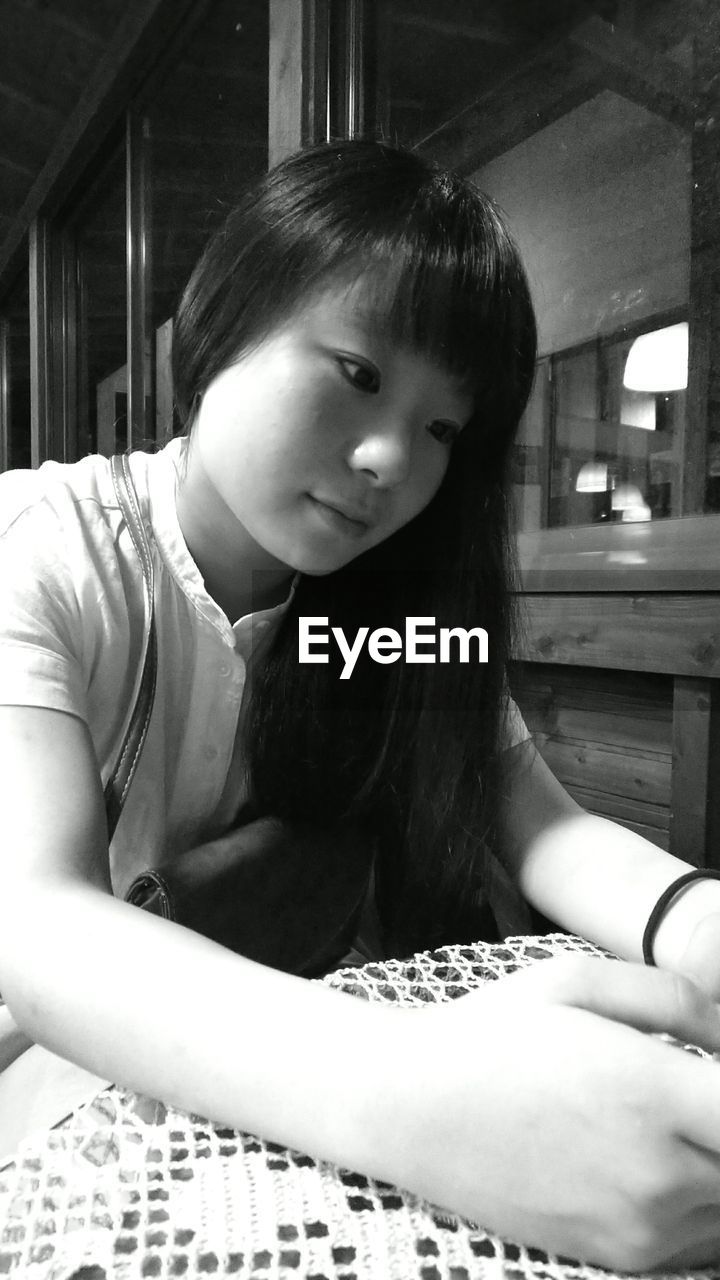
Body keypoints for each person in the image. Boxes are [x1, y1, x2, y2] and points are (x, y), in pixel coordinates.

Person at [1, 138, 720, 1270]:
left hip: (248, 1101)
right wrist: (424, 1097)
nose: (392, 456)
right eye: (359, 372)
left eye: (444, 428)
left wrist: (697, 922)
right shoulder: (45, 550)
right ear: (228, 314)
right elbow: (34, 921)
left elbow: (552, 829)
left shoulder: (371, 610)